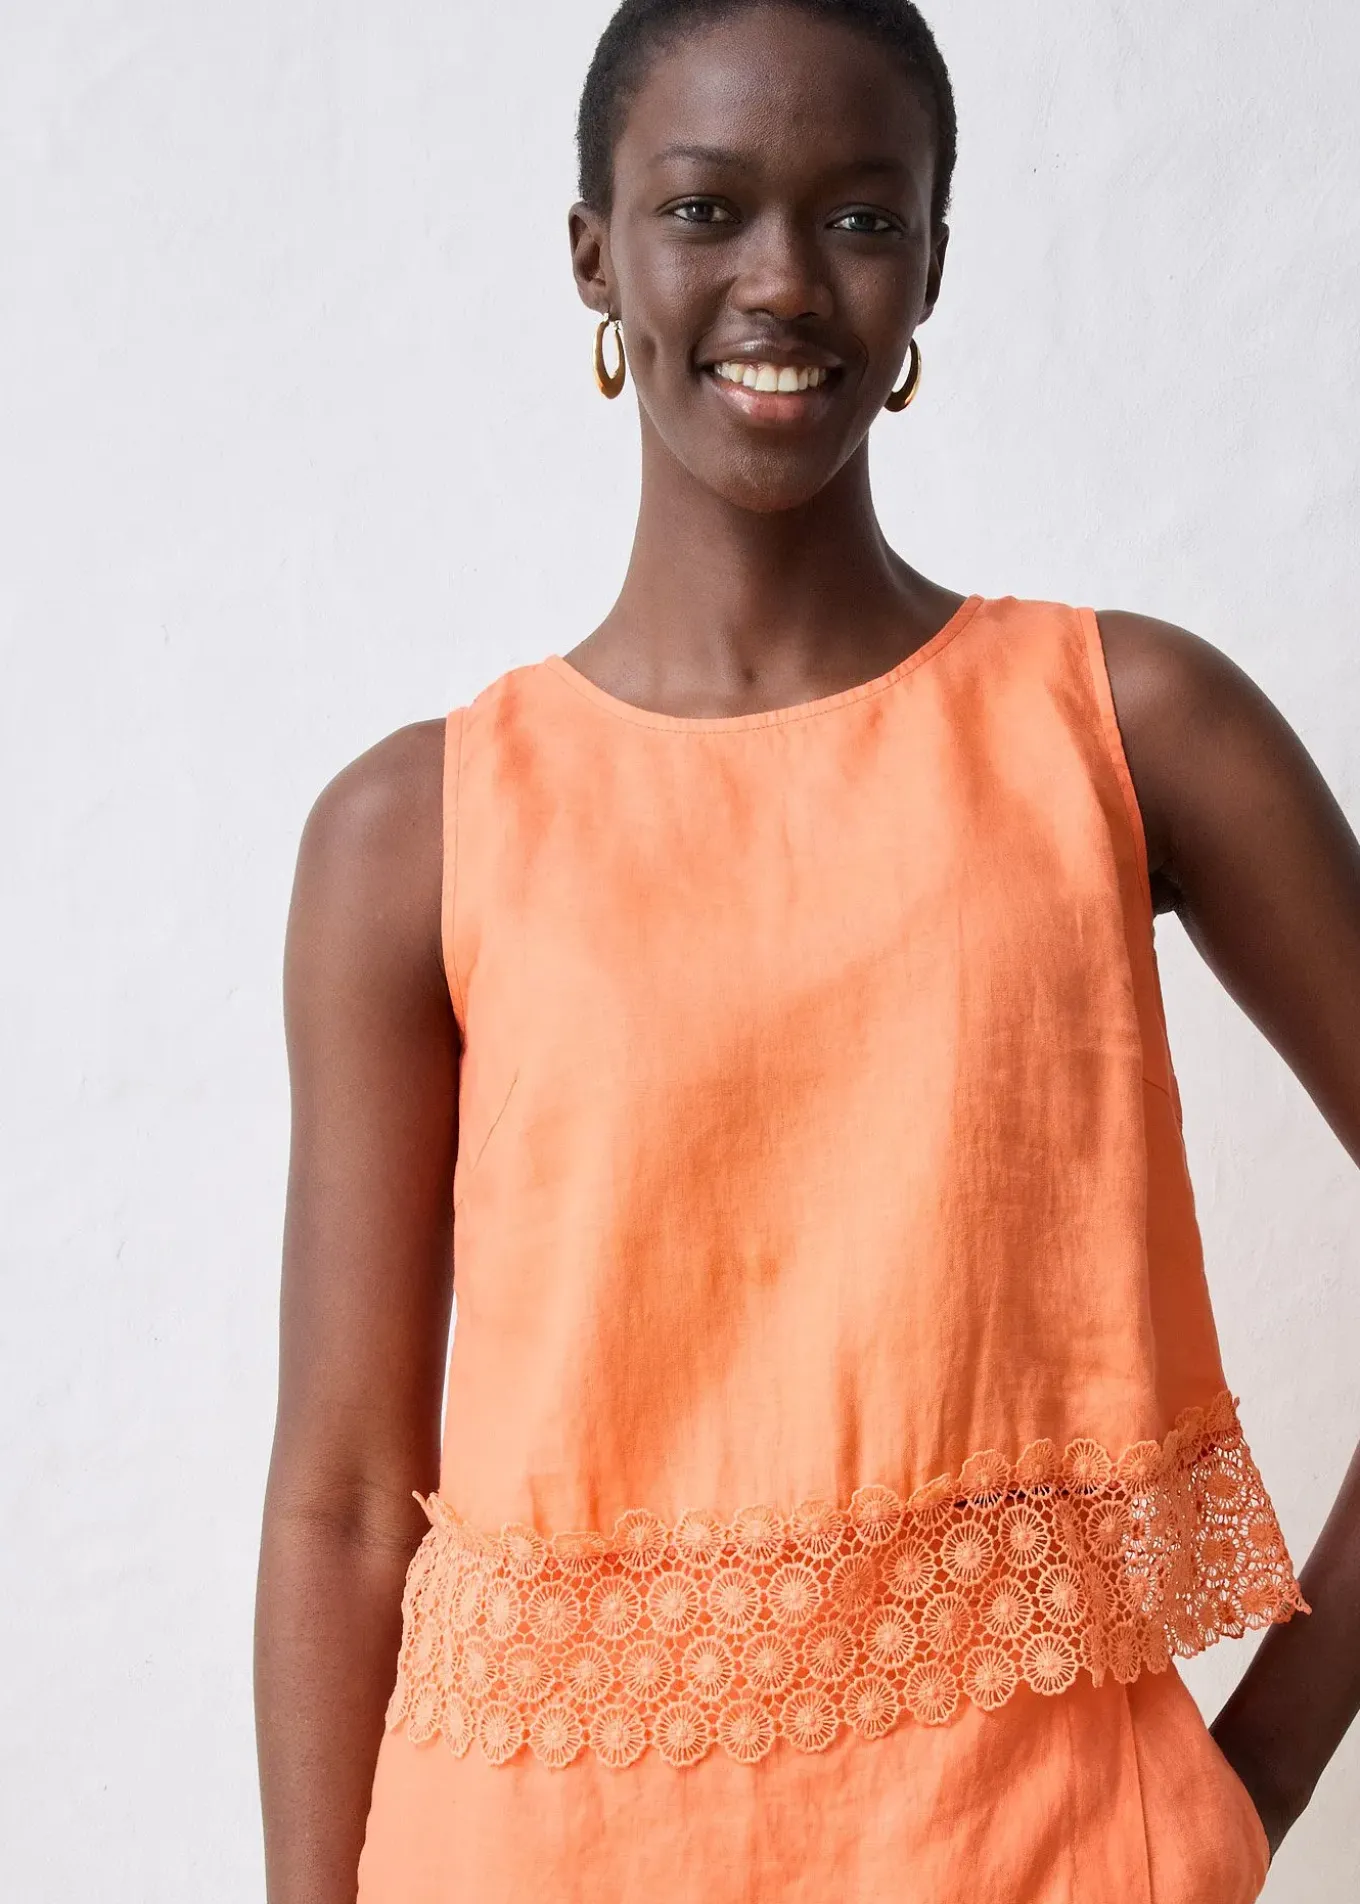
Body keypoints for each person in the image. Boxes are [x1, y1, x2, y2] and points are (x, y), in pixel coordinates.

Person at [253, 3, 1360, 1899]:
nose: (782, 280)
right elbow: (347, 1501)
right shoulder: (411, 829)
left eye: (860, 217)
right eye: (705, 209)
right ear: (594, 253)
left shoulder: (1126, 727)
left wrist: (1249, 1783)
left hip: (1036, 1858)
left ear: (933, 262)